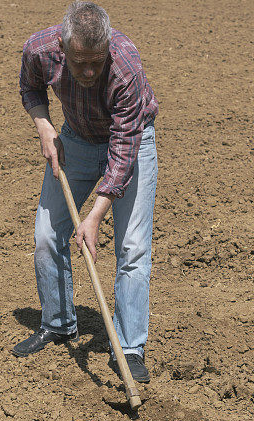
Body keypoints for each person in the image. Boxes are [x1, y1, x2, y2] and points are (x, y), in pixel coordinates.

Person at [12, 1, 159, 383]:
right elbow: (30, 88)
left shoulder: (126, 67)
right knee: (47, 234)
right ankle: (58, 323)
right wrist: (45, 127)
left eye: (97, 61)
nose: (90, 71)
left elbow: (123, 152)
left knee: (132, 247)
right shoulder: (40, 49)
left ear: (108, 46)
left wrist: (94, 217)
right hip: (75, 137)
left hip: (129, 142)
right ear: (63, 47)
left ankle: (128, 347)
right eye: (80, 63)